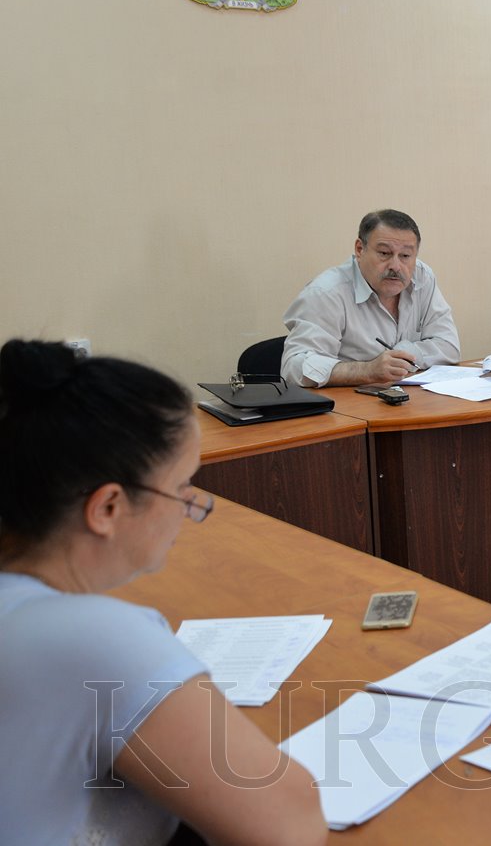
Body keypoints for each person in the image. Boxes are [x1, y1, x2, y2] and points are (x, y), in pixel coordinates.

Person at [0, 340, 326, 846]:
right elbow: (291, 825)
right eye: (180, 488)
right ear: (107, 508)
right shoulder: (90, 635)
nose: (192, 508)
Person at [282, 209, 460, 387]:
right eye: (384, 253)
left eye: (405, 256)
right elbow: (294, 367)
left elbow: (449, 346)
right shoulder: (326, 292)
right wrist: (367, 370)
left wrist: (404, 355)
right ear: (360, 249)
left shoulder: (422, 278)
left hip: (409, 397)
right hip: (349, 401)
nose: (396, 266)